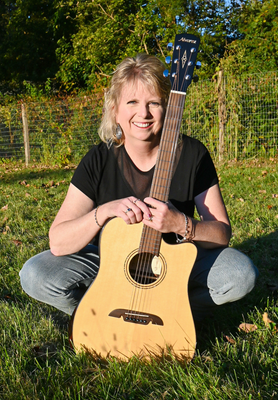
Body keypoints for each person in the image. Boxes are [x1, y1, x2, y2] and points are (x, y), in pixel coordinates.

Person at [19, 54, 258, 325]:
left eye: (153, 103)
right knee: (35, 274)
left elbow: (221, 233)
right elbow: (59, 241)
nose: (143, 113)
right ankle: (99, 312)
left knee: (239, 274)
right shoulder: (98, 159)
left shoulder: (192, 154)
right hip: (111, 263)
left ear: (167, 109)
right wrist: (105, 211)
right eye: (132, 102)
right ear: (115, 110)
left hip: (176, 264)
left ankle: (172, 312)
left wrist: (181, 223)